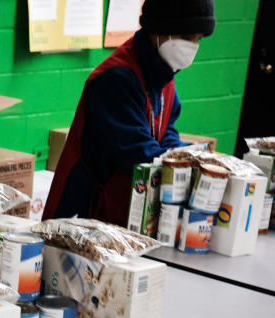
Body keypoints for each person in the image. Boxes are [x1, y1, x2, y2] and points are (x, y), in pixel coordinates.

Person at [43, 0, 215, 223]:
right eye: (187, 38)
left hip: (130, 207)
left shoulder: (163, 73)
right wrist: (187, 161)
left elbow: (167, 130)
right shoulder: (117, 78)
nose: (192, 47)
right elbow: (138, 153)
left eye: (198, 39)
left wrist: (187, 153)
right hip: (89, 211)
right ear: (160, 30)